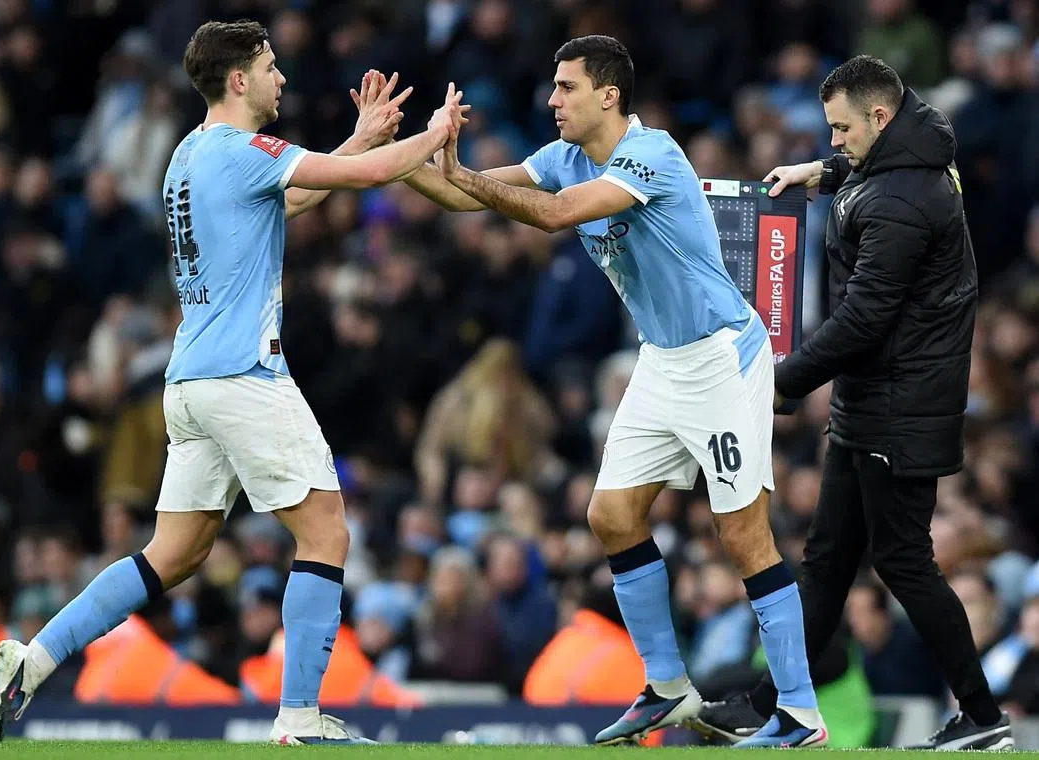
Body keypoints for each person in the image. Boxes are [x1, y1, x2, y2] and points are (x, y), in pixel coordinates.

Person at [0, 19, 467, 746]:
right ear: (239, 78)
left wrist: (361, 138)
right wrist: (434, 136)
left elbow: (292, 199)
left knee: (171, 554)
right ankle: (300, 719)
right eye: (271, 67)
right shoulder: (244, 150)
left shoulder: (190, 154)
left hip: (191, 383)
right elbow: (354, 181)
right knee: (327, 530)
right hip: (244, 374)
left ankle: (32, 658)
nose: (282, 80)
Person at [403, 35, 825, 747]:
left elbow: (553, 214)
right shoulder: (564, 156)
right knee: (612, 515)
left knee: (741, 533)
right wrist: (398, 153)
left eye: (565, 87)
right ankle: (668, 687)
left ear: (609, 95)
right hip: (662, 358)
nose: (551, 99)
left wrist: (457, 173)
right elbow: (456, 193)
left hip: (722, 356)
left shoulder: (651, 154)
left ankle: (800, 713)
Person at [692, 55, 1014, 751]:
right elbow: (881, 178)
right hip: (878, 402)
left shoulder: (901, 198)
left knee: (902, 562)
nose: (831, 140)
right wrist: (821, 173)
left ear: (880, 116)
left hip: (898, 409)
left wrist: (784, 381)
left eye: (840, 130)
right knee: (831, 560)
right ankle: (771, 703)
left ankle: (983, 716)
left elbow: (866, 315)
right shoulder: (912, 163)